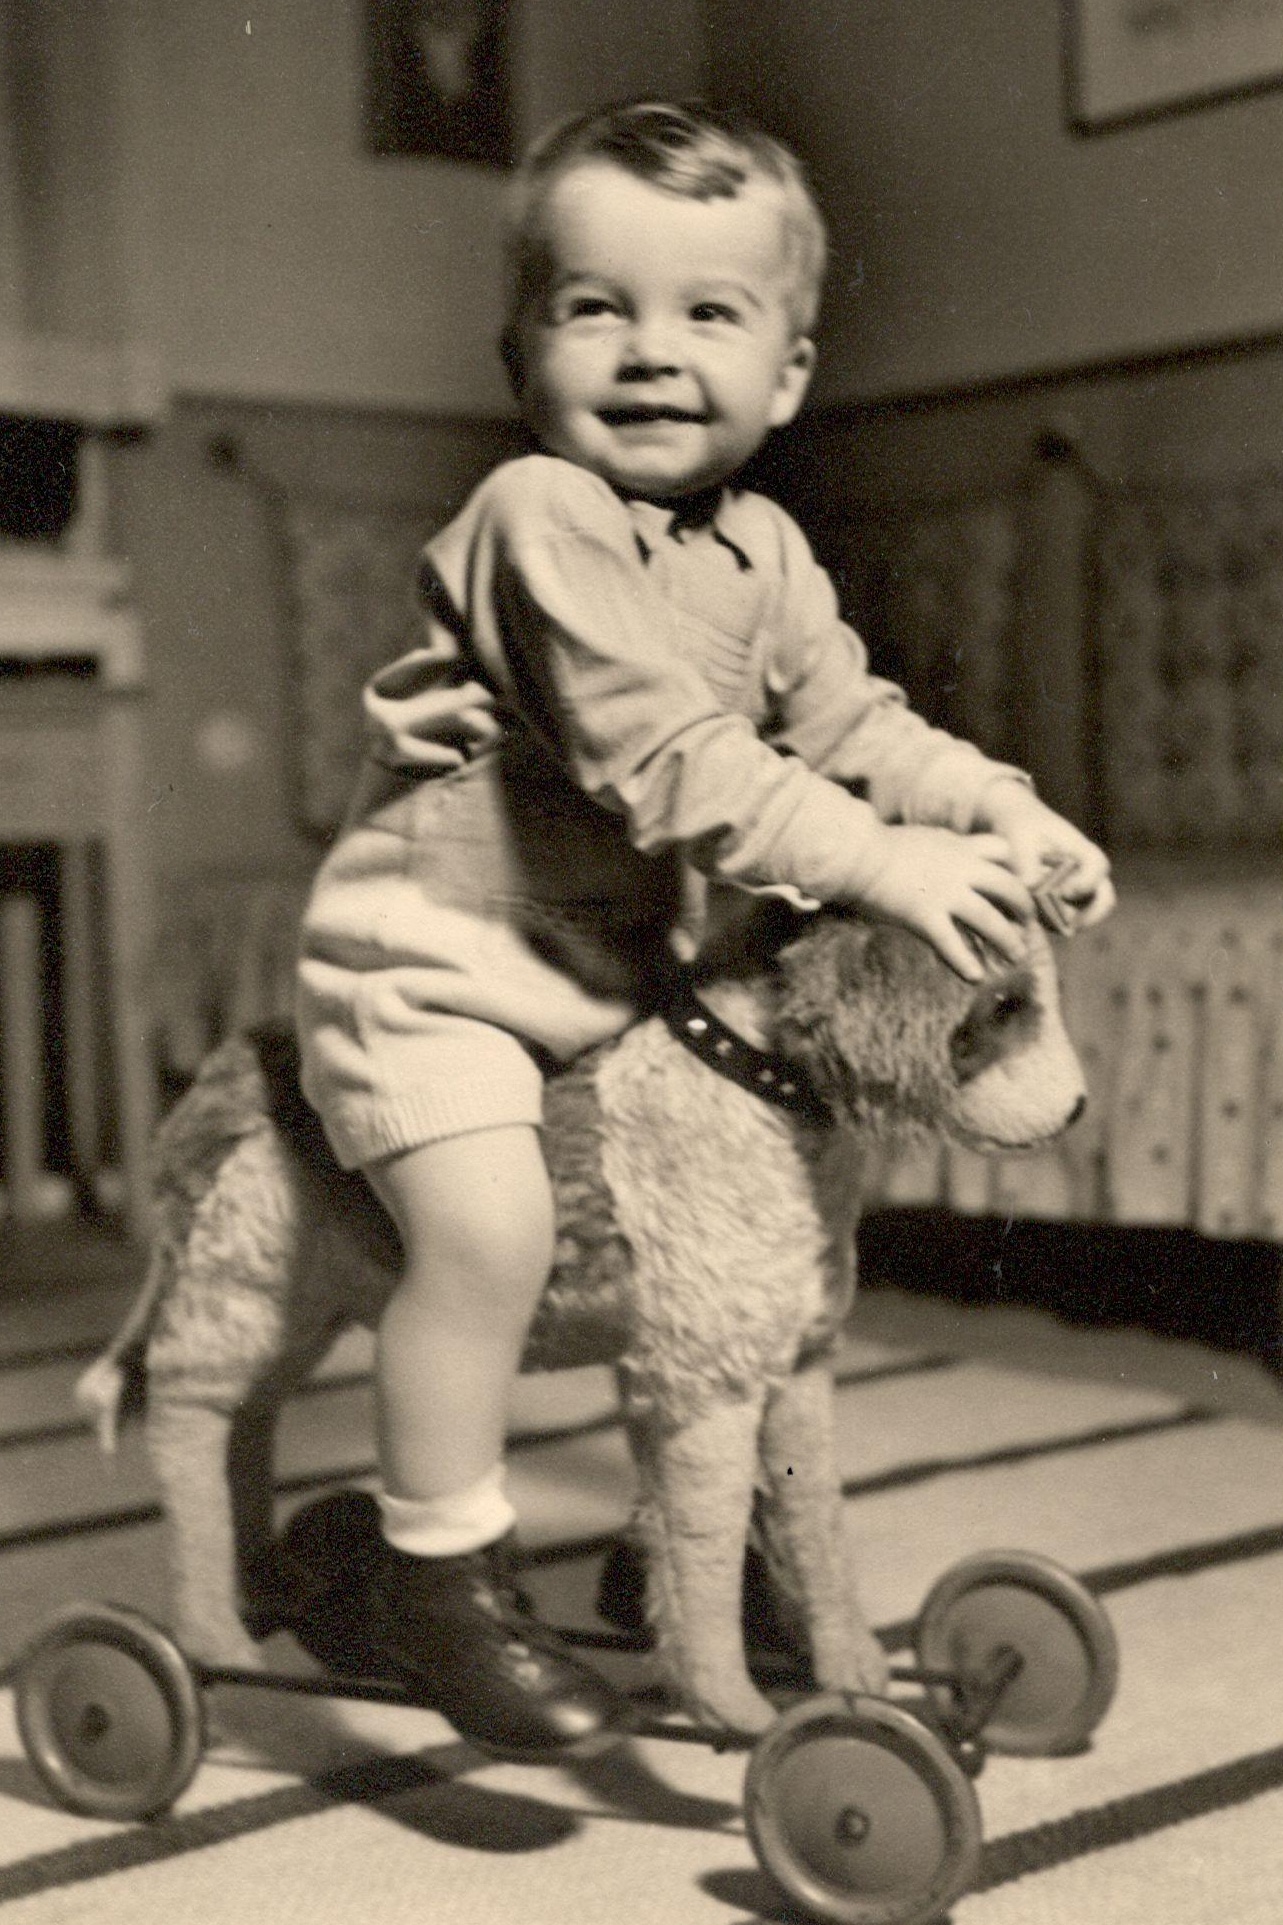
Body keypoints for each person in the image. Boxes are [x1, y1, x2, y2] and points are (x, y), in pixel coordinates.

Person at [295, 99, 1113, 1759]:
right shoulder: (538, 514)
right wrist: (882, 864)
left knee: (729, 1256)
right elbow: (669, 759)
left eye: (709, 312)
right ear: (522, 352)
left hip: (614, 975)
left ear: (787, 374)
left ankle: (700, 1544)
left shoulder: (764, 548)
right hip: (435, 970)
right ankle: (438, 1567)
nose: (652, 349)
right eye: (596, 305)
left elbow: (857, 725)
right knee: (492, 1232)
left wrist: (996, 808)